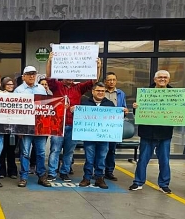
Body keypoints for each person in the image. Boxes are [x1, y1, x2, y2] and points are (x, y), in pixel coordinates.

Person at [46, 52, 101, 182]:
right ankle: (52, 173)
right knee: (55, 150)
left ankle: (64, 172)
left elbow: (94, 81)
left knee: (69, 151)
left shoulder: (79, 87)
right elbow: (48, 77)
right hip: (58, 124)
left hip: (73, 124)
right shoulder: (57, 85)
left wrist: (98, 67)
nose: (70, 77)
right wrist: (50, 61)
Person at [129, 70, 174, 193]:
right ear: (154, 79)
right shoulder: (145, 93)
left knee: (164, 160)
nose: (162, 79)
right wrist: (135, 108)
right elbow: (137, 114)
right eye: (160, 77)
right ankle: (138, 182)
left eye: (165, 77)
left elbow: (181, 112)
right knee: (143, 159)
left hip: (165, 133)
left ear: (168, 80)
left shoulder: (175, 94)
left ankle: (164, 184)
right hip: (147, 133)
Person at [14, 66, 51, 188]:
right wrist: (18, 129)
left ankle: (41, 176)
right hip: (25, 128)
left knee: (40, 152)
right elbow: (15, 111)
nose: (31, 76)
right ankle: (23, 177)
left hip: (40, 127)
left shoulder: (41, 88)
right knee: (25, 152)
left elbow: (47, 107)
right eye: (29, 74)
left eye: (33, 74)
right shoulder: (18, 91)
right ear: (23, 76)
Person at [78, 82, 119, 189]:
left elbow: (114, 119)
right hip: (89, 136)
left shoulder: (110, 104)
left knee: (101, 158)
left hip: (104, 137)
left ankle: (99, 178)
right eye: (98, 91)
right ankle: (86, 178)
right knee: (89, 158)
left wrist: (122, 112)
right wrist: (75, 111)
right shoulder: (85, 103)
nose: (100, 93)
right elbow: (80, 118)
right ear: (93, 91)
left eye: (102, 91)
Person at [103, 72, 127, 181]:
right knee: (101, 149)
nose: (111, 82)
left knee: (111, 150)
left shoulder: (121, 93)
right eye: (109, 80)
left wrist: (125, 111)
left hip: (114, 126)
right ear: (105, 82)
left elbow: (123, 107)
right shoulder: (101, 91)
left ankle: (109, 171)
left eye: (113, 80)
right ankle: (98, 171)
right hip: (101, 125)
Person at [0, 76, 17, 179]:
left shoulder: (18, 96)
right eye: (8, 84)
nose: (10, 86)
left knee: (11, 151)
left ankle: (12, 171)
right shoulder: (0, 95)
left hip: (13, 129)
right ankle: (1, 171)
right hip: (2, 128)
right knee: (2, 151)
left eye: (11, 84)